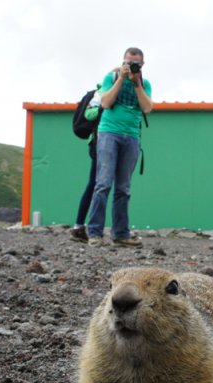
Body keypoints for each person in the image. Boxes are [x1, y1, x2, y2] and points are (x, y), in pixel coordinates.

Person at [86, 47, 152, 247]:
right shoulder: (111, 78)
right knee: (103, 184)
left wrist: (136, 83)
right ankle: (95, 233)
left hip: (131, 137)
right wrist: (121, 79)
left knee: (123, 188)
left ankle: (121, 234)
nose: (131, 66)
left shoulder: (145, 84)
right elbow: (105, 103)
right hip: (109, 134)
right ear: (122, 62)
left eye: (135, 64)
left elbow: (147, 107)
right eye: (128, 62)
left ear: (142, 65)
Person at [70, 86, 102, 243]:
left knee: (93, 184)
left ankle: (79, 226)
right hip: (100, 142)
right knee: (99, 185)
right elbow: (90, 114)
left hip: (95, 142)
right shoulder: (102, 93)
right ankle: (90, 228)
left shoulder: (99, 92)